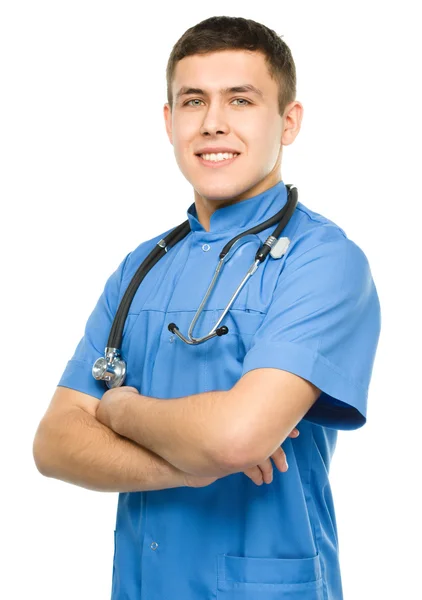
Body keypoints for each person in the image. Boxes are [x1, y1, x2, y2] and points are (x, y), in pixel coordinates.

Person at [32, 15, 381, 600]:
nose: (213, 123)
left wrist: (120, 412)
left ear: (288, 121)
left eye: (241, 100)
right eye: (193, 101)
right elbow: (54, 444)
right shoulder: (141, 266)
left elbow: (237, 439)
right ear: (169, 122)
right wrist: (185, 466)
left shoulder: (323, 262)